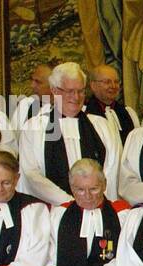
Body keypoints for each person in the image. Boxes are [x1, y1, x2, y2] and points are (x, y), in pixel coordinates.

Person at [19, 62, 121, 206]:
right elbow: (31, 175)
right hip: (52, 209)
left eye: (80, 91)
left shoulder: (101, 126)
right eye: (70, 91)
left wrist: (95, 201)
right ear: (54, 91)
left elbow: (112, 169)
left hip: (96, 207)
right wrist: (69, 202)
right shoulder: (34, 127)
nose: (76, 97)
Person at [85, 64, 140, 144]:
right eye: (107, 82)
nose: (113, 86)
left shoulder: (128, 112)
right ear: (93, 86)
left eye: (116, 82)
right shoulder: (85, 113)